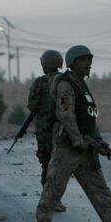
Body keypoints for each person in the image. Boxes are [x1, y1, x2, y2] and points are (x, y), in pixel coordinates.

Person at [35, 45, 111, 222]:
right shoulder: (66, 85)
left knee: (99, 188)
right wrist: (77, 140)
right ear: (73, 63)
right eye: (84, 60)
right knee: (54, 187)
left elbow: (89, 117)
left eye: (89, 60)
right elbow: (66, 115)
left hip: (85, 145)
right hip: (68, 146)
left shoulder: (81, 85)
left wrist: (99, 142)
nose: (88, 63)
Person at [27, 50, 67, 212]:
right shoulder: (66, 81)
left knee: (46, 164)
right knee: (60, 165)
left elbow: (32, 106)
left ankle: (48, 198)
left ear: (45, 65)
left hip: (44, 130)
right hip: (63, 129)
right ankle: (55, 200)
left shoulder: (39, 83)